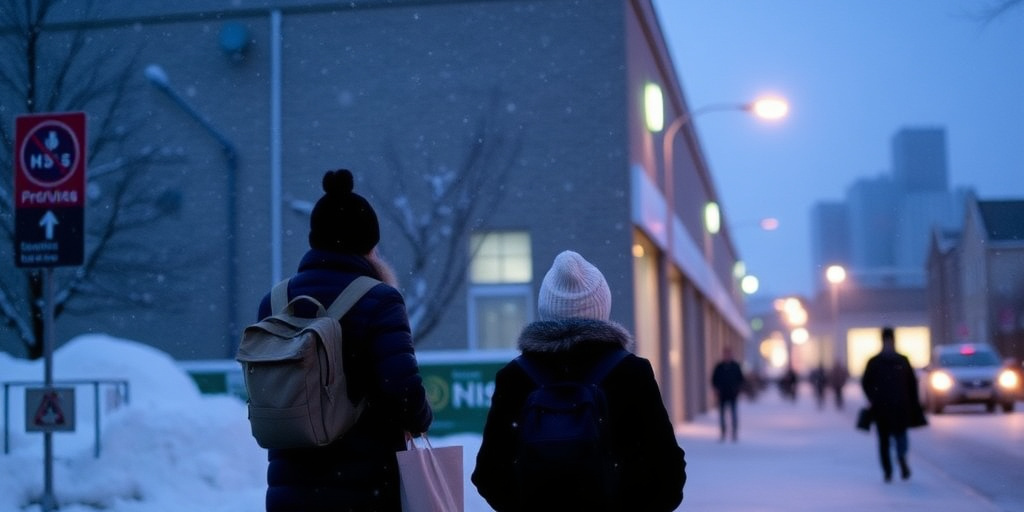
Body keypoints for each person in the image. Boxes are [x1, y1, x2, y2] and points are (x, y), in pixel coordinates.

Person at [255, 169, 433, 511]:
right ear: (369, 245)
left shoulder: (274, 302)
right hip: (363, 488)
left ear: (315, 240)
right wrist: (421, 418)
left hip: (289, 488)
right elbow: (402, 389)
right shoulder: (380, 299)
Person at [472, 250, 686, 511]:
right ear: (602, 307)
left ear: (546, 309)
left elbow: (488, 474)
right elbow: (669, 471)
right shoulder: (631, 372)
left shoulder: (515, 377)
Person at [861, 326, 926, 483]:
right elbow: (912, 385)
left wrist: (873, 397)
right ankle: (892, 468)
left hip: (892, 407)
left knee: (893, 439)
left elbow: (911, 385)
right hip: (892, 407)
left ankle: (894, 466)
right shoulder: (898, 361)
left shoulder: (880, 361)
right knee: (891, 440)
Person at [711, 346, 746, 440]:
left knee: (734, 414)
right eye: (725, 354)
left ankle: (734, 433)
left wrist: (738, 389)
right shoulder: (719, 366)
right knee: (722, 415)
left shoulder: (735, 366)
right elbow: (714, 379)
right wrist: (716, 389)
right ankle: (723, 432)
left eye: (728, 354)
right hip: (722, 394)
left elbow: (741, 379)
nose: (727, 356)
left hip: (733, 394)